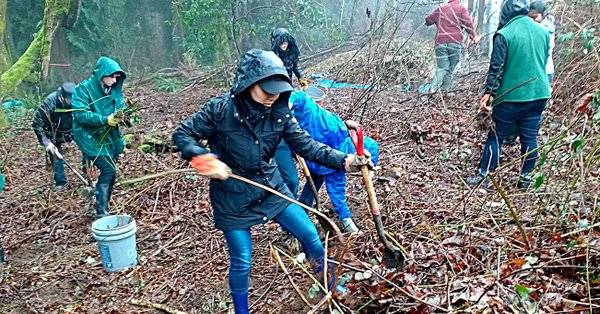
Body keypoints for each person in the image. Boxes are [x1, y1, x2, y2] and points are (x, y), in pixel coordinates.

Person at [172, 49, 372, 314]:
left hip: (270, 187)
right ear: (248, 84)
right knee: (242, 260)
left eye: (277, 90)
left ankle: (331, 287)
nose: (272, 96)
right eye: (267, 90)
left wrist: (345, 160)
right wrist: (202, 157)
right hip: (232, 197)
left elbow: (306, 145)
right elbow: (183, 135)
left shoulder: (279, 112)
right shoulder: (220, 110)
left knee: (310, 235)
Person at [465, 0, 550, 190]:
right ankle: (526, 178)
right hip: (539, 94)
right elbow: (542, 62)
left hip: (513, 96)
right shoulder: (543, 32)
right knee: (529, 137)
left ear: (505, 14)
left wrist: (488, 95)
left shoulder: (504, 34)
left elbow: (496, 69)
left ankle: (484, 176)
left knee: (496, 136)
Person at [275, 89, 380, 234]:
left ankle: (298, 220)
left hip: (314, 158)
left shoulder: (327, 122)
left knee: (311, 186)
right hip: (312, 156)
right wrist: (285, 105)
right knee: (296, 182)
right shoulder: (316, 115)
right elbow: (299, 97)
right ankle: (293, 224)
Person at [72, 57, 127, 218]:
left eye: (117, 77)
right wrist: (104, 119)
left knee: (111, 172)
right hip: (89, 136)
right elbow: (79, 114)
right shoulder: (83, 89)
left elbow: (120, 106)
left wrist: (123, 116)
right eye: (112, 76)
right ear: (101, 74)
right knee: (109, 170)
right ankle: (100, 212)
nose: (114, 79)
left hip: (108, 136)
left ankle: (103, 206)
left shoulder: (114, 89)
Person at [425, 0, 480, 93]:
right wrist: (474, 37)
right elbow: (468, 24)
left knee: (442, 67)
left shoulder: (441, 9)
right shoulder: (461, 9)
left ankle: (434, 90)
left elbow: (428, 20)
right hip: (455, 42)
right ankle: (442, 90)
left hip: (440, 42)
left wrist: (432, 20)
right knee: (450, 68)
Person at [32, 82, 77, 189]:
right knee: (56, 155)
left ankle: (88, 171)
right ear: (62, 96)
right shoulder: (50, 102)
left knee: (88, 146)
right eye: (68, 100)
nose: (71, 103)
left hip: (73, 128)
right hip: (54, 132)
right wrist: (46, 142)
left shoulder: (80, 99)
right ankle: (60, 182)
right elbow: (36, 123)